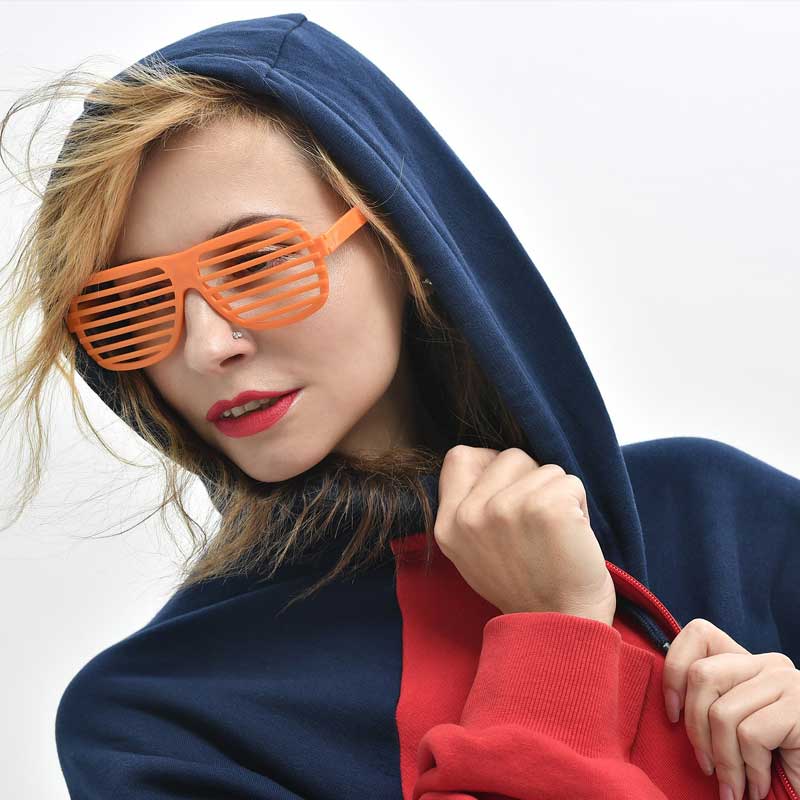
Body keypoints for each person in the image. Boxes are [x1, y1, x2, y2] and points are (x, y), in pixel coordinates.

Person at [1, 12, 799, 800]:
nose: (207, 346)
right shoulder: (157, 721)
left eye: (256, 261)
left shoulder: (722, 521)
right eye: (134, 306)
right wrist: (557, 635)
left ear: (400, 238)